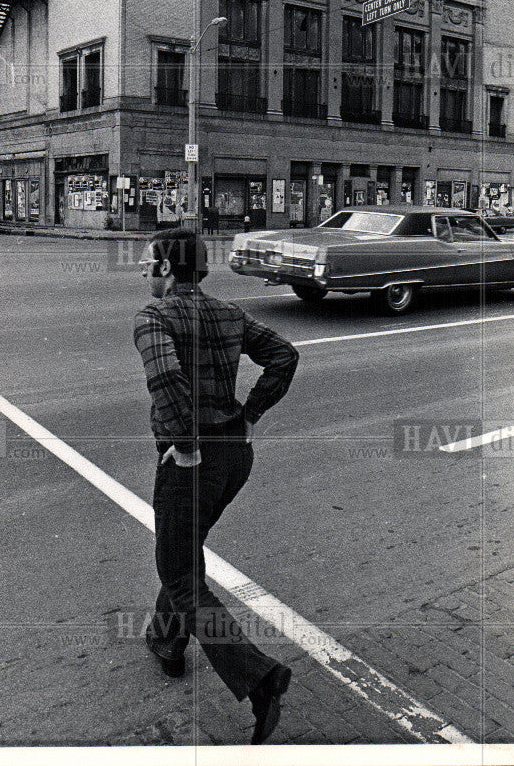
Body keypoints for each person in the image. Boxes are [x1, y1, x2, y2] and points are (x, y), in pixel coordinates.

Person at [134, 228, 299, 744]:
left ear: (166, 267)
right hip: (234, 457)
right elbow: (284, 356)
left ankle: (259, 679)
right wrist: (250, 413)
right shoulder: (230, 313)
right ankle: (166, 642)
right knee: (186, 550)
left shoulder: (153, 318)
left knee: (180, 573)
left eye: (147, 263)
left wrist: (184, 445)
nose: (142, 271)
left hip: (193, 461)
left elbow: (167, 383)